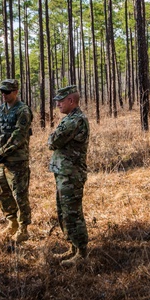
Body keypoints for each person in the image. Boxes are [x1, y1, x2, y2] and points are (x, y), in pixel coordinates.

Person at [48, 85, 90, 266]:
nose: (57, 104)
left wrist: (52, 138)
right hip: (64, 173)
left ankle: (81, 252)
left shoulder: (75, 120)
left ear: (71, 101)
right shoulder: (70, 119)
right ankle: (73, 247)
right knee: (64, 212)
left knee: (73, 213)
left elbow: (53, 140)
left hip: (71, 174)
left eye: (60, 100)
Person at [0, 79, 32, 243]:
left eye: (7, 92)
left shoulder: (23, 111)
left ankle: (23, 228)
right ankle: (12, 222)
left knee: (19, 195)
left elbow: (19, 135)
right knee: (3, 194)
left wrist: (2, 151)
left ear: (15, 92)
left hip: (17, 161)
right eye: (2, 91)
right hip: (1, 161)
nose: (4, 95)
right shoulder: (0, 110)